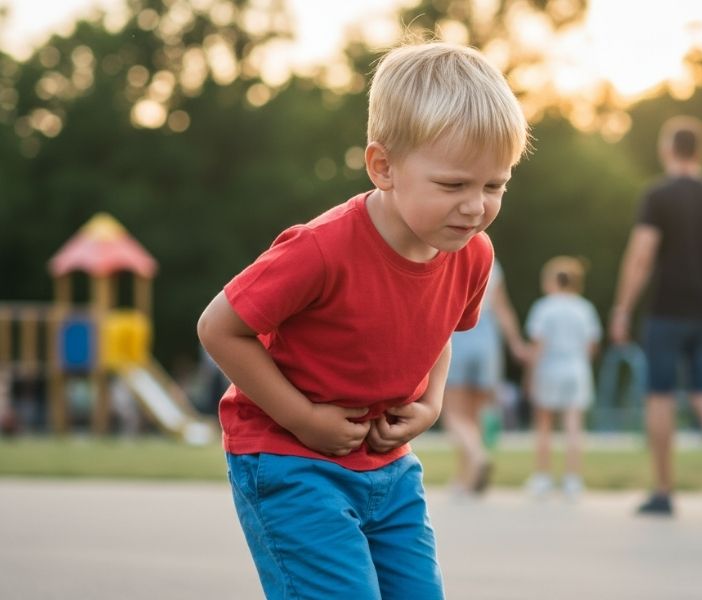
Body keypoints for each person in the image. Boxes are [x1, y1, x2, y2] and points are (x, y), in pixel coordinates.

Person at [197, 41, 529, 600]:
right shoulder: (320, 250)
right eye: (454, 185)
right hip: (291, 461)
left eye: (494, 185)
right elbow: (218, 328)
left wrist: (431, 403)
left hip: (390, 470)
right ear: (383, 167)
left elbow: (440, 330)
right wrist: (303, 417)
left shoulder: (471, 253)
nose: (476, 207)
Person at [609, 115, 702, 518]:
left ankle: (663, 491)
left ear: (668, 149)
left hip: (667, 310)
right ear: (701, 151)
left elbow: (641, 255)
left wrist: (622, 307)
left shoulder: (659, 196)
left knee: (661, 396)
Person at [442, 259, 528, 496]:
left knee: (454, 413)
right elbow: (502, 308)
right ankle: (466, 478)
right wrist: (515, 343)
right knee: (474, 414)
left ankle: (477, 455)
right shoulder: (491, 262)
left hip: (457, 333)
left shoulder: (447, 255)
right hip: (487, 337)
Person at [523, 256, 601, 500]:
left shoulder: (544, 307)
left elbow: (538, 345)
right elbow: (592, 344)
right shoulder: (584, 308)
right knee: (574, 424)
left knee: (544, 424)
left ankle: (543, 477)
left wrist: (530, 375)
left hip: (549, 369)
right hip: (577, 369)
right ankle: (572, 479)